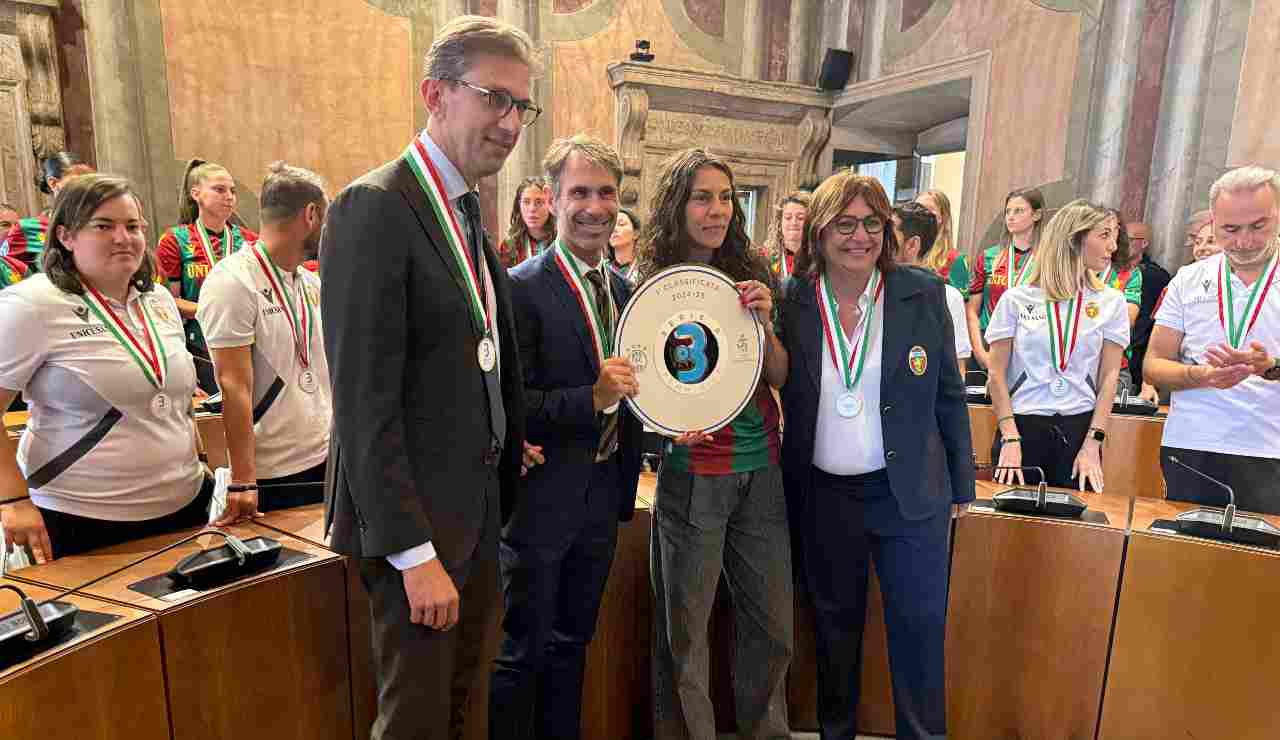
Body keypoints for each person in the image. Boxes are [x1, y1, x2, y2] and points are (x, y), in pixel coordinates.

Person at [320, 15, 534, 738]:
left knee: (461, 711)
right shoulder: (376, 206)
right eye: (494, 98)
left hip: (475, 514)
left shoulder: (464, 209)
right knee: (414, 721)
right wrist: (412, 554)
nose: (510, 123)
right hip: (418, 532)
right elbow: (363, 404)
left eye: (521, 106)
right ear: (436, 94)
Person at [778, 170, 973, 740]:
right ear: (818, 232)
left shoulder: (923, 292)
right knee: (833, 634)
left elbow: (949, 392)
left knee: (919, 629)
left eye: (871, 224)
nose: (859, 237)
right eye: (844, 224)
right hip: (824, 496)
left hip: (909, 495)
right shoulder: (792, 298)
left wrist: (962, 483)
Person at [635, 148, 793, 740]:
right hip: (694, 470)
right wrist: (661, 428)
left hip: (761, 467)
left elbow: (778, 374)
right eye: (702, 198)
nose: (717, 210)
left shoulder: (752, 273)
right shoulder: (650, 280)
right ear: (678, 206)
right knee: (685, 630)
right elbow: (640, 384)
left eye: (726, 197)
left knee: (772, 627)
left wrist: (765, 323)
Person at [490, 134, 643, 740]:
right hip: (540, 499)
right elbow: (511, 405)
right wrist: (591, 399)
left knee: (573, 644)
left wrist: (668, 421)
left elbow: (635, 390)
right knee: (522, 651)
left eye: (606, 193)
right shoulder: (521, 287)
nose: (595, 207)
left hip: (603, 494)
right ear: (552, 200)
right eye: (579, 192)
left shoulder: (626, 291)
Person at [0, 175, 207, 563]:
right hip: (80, 515)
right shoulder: (31, 305)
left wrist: (202, 462)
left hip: (183, 504)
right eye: (103, 226)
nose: (123, 238)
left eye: (133, 226)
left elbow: (175, 398)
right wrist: (11, 499)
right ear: (66, 235)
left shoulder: (159, 300)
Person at [196, 162, 330, 524]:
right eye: (326, 216)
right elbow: (233, 385)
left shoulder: (310, 283)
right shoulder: (233, 281)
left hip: (324, 458)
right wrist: (243, 479)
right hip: (271, 473)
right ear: (311, 214)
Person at [1145, 166, 1280, 515]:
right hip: (1192, 444)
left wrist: (1271, 367)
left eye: (1258, 226)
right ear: (1213, 223)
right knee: (1184, 547)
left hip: (1269, 448)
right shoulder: (1188, 279)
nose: (1244, 241)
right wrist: (1199, 375)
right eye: (1230, 229)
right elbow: (1153, 365)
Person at [986, 200, 1128, 491]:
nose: (1113, 246)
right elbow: (996, 374)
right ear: (1074, 238)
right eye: (1104, 235)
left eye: (1114, 235)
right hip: (1021, 428)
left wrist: (1093, 442)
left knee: (1077, 518)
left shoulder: (1111, 302)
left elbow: (1110, 376)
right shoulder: (1016, 300)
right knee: (1011, 518)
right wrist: (1010, 437)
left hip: (1080, 432)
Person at [156, 160, 258, 394]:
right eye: (219, 190)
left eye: (232, 191)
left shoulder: (250, 241)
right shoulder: (174, 240)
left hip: (247, 345)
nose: (229, 197)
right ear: (196, 194)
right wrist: (211, 309)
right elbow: (166, 302)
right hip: (200, 348)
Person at [966, 187, 1045, 370]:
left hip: (1029, 348)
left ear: (1036, 215)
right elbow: (972, 311)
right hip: (989, 343)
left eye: (1019, 211)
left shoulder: (1046, 260)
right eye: (1008, 211)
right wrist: (980, 353)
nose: (1011, 217)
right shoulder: (989, 257)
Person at [892, 202, 972, 374]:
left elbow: (957, 369)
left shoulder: (948, 297)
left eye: (889, 236)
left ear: (912, 245)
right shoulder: (872, 291)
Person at [1, 152, 95, 271]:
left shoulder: (98, 223)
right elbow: (6, 274)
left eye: (91, 182)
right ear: (53, 183)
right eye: (78, 182)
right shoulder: (27, 229)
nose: (87, 188)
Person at [1098, 209, 1146, 397]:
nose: (1110, 234)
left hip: (1115, 367)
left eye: (1115, 228)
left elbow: (1126, 320)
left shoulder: (1129, 273)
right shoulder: (1074, 270)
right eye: (1104, 230)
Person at [1124, 220, 1172, 400]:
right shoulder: (1109, 271)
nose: (1121, 244)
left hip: (1137, 359)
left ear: (1144, 243)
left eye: (1129, 239)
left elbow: (1149, 323)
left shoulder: (1154, 276)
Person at [916, 188, 970, 293]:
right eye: (916, 209)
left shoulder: (955, 260)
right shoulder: (905, 251)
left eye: (927, 211)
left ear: (943, 217)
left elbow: (959, 301)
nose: (920, 215)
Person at [499, 175, 555, 268]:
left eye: (539, 202)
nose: (532, 209)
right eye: (526, 202)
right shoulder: (509, 246)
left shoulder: (562, 242)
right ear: (519, 205)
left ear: (550, 204)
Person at [763, 190, 810, 285]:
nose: (794, 223)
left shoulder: (819, 258)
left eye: (800, 218)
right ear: (779, 222)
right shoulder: (765, 257)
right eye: (788, 217)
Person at [607, 206, 641, 283]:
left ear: (636, 234)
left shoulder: (645, 269)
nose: (614, 229)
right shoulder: (603, 271)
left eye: (621, 224)